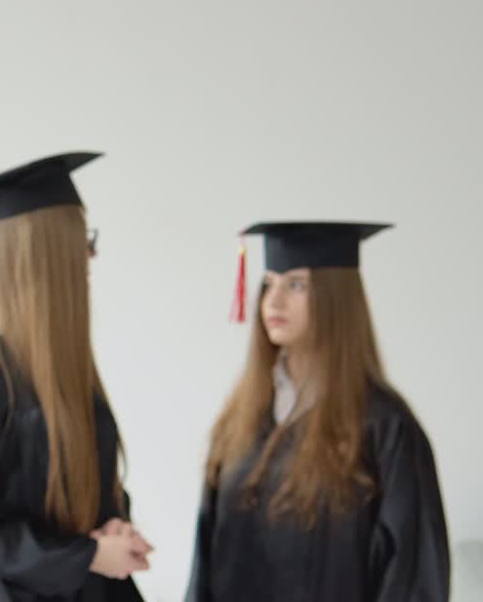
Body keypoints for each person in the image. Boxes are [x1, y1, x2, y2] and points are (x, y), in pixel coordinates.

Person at [0, 153, 150, 601]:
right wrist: (87, 556)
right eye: (81, 238)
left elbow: (85, 491)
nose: (91, 253)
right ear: (45, 255)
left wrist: (112, 526)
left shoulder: (63, 368)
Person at [186, 222, 449, 602]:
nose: (274, 302)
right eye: (269, 284)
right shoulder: (240, 419)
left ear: (336, 298)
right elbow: (205, 560)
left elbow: (413, 574)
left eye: (296, 285)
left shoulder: (384, 427)